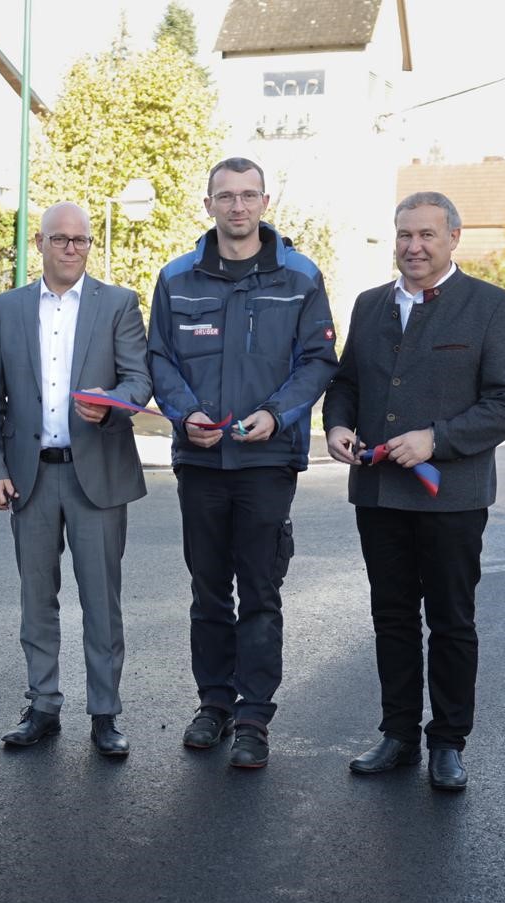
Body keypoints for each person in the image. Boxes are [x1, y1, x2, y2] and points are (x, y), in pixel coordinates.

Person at [323, 191, 505, 791]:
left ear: (453, 239)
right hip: (378, 493)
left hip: (452, 497)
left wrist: (435, 439)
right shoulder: (370, 305)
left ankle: (448, 742)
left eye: (426, 235)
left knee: (450, 621)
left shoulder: (492, 306)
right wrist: (337, 424)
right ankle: (398, 735)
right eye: (404, 235)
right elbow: (346, 382)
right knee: (391, 618)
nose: (413, 246)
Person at [147, 156, 339, 770]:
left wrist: (278, 415)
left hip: (267, 460)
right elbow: (159, 359)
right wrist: (184, 414)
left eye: (248, 195)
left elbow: (318, 361)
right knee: (208, 591)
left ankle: (254, 715)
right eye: (225, 196)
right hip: (200, 460)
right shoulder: (177, 278)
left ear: (264, 202)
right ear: (208, 205)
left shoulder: (300, 276)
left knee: (259, 590)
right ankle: (214, 703)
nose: (237, 206)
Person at [0, 202, 152, 757]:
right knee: (36, 600)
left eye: (81, 240)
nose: (72, 248)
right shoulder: (9, 307)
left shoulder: (118, 303)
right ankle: (43, 706)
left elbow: (139, 379)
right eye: (60, 239)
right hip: (29, 478)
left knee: (101, 602)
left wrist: (112, 402)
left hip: (97, 473)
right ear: (41, 244)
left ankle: (105, 714)